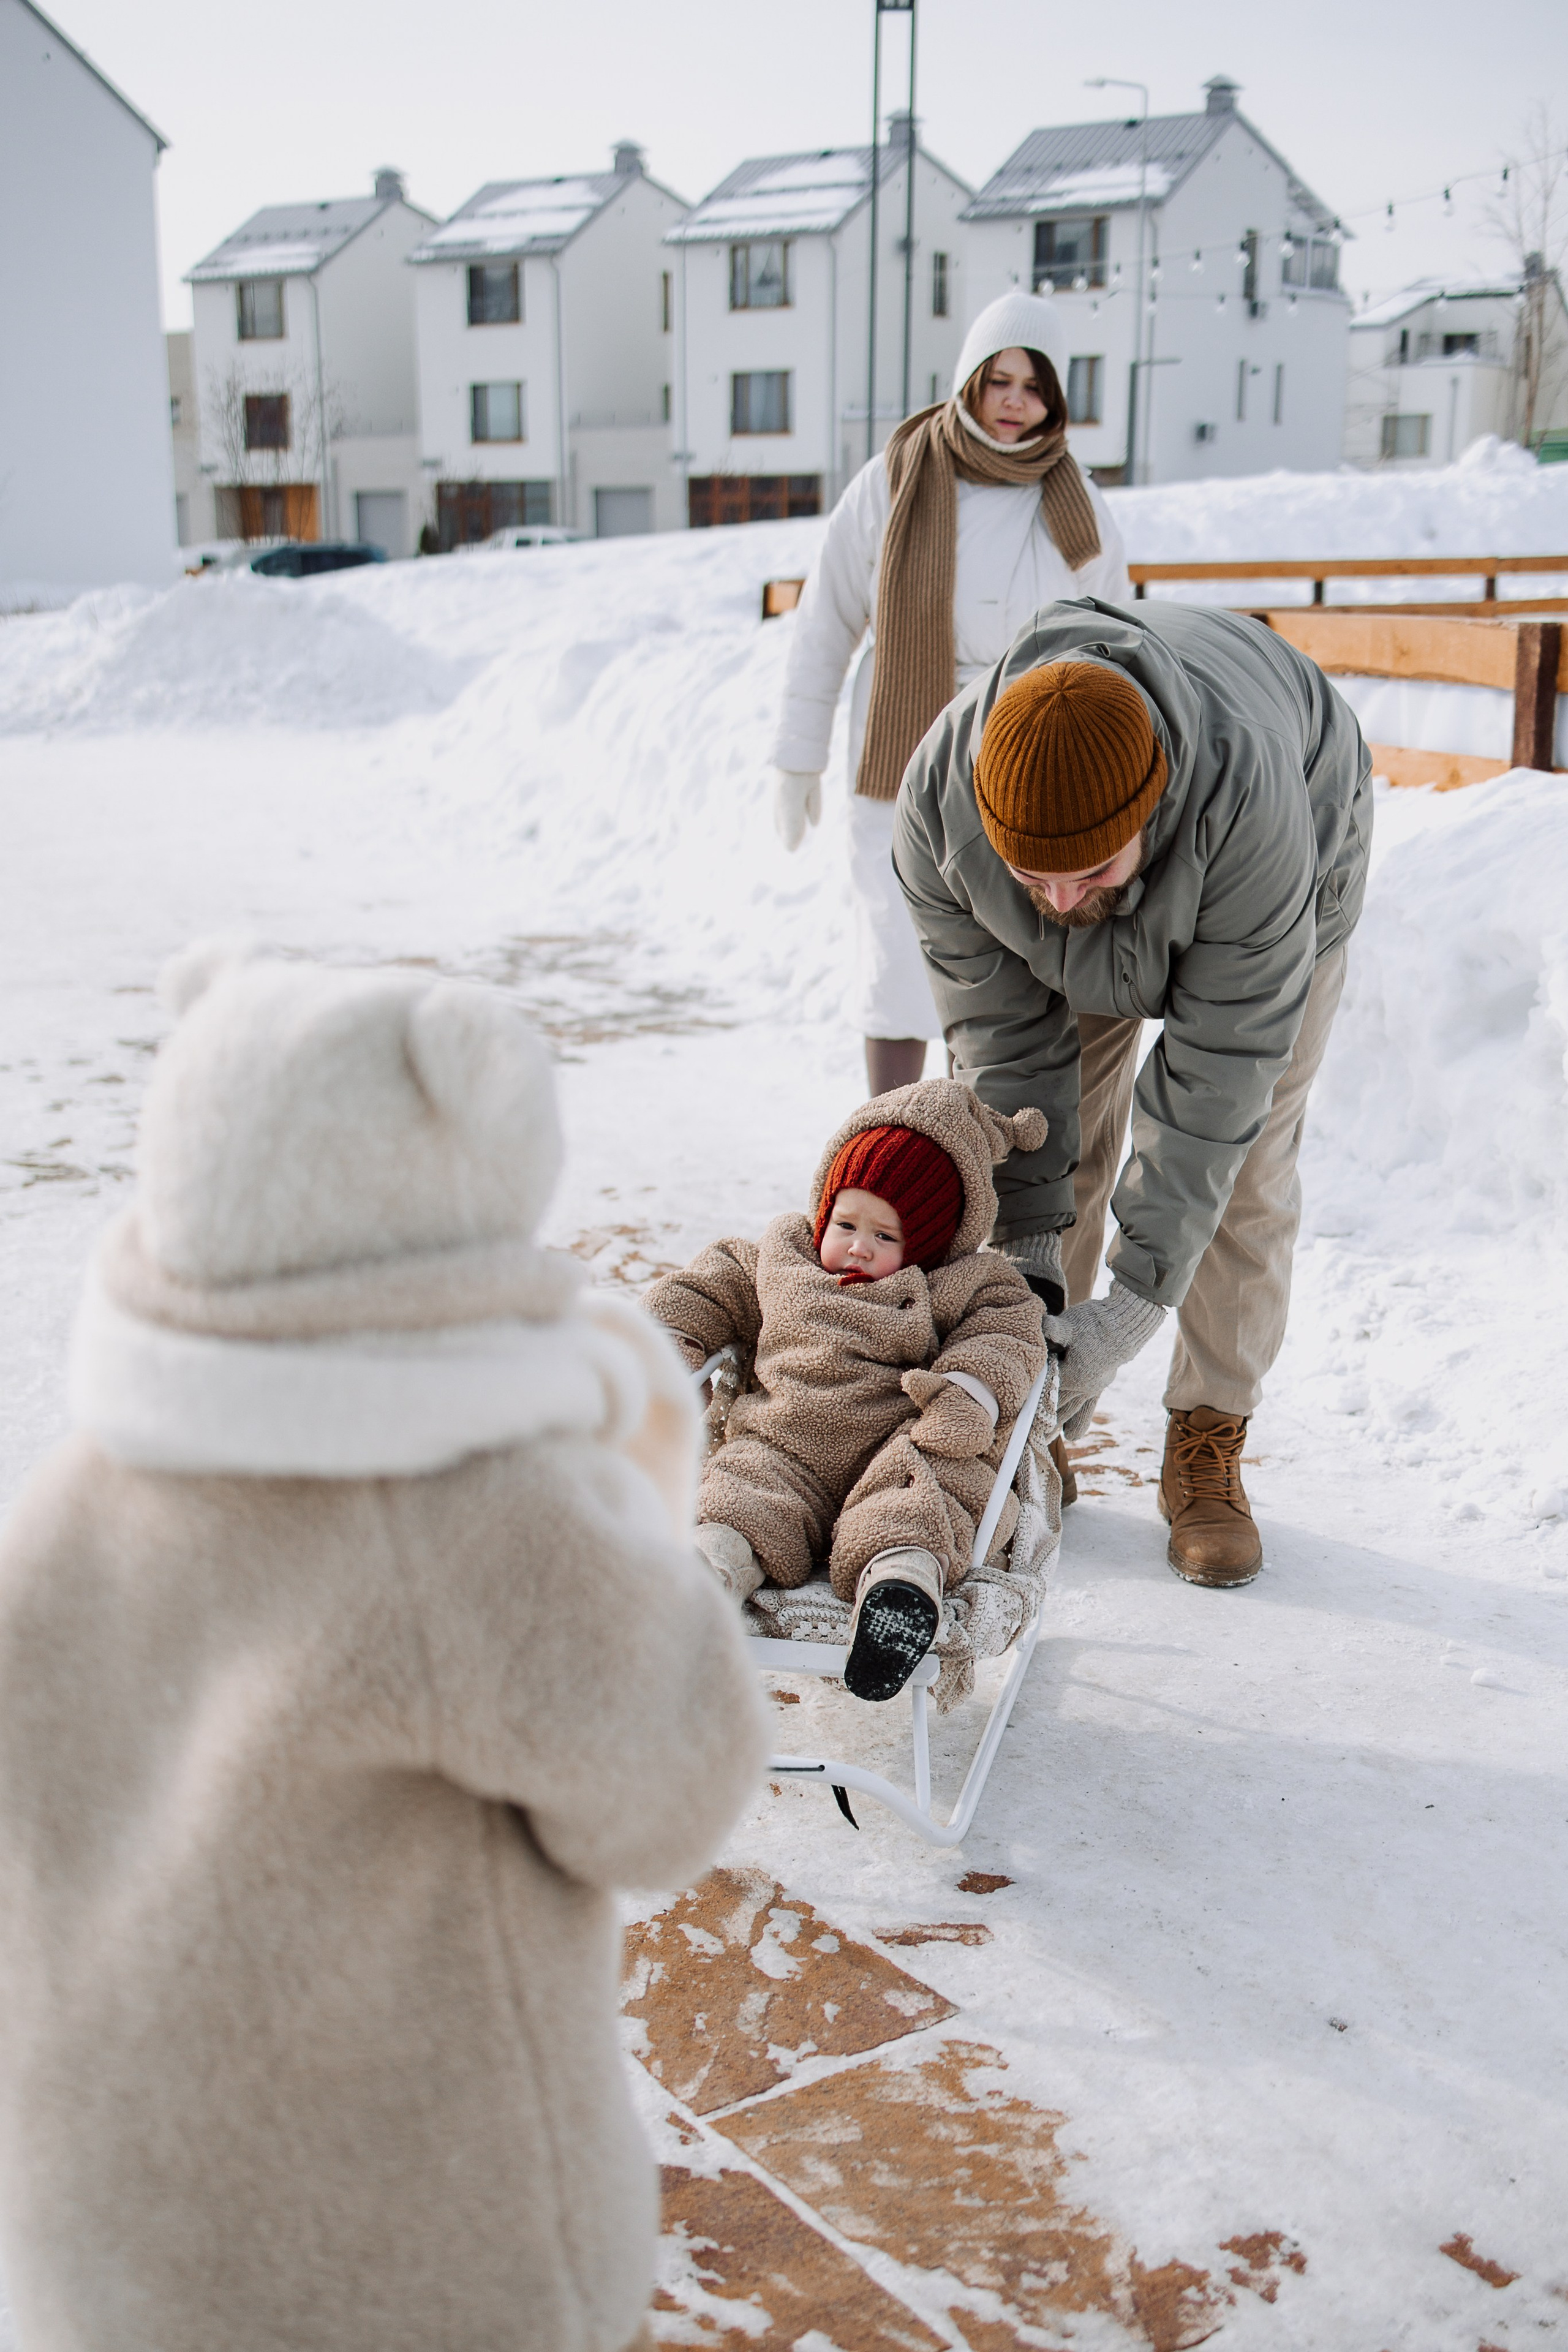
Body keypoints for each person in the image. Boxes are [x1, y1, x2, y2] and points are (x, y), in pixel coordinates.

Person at [0, 943, 768, 2352]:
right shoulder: (465, 1522)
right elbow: (671, 1792)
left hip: (96, 2238)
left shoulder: (63, 1504)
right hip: (400, 2256)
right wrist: (614, 1474)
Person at [892, 602, 1373, 1587]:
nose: (1063, 901)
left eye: (1090, 874)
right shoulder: (942, 812)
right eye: (1036, 877)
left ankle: (1208, 1437)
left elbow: (1214, 1091)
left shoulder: (1252, 809)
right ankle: (1033, 1413)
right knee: (1037, 1138)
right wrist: (1026, 1267)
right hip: (1108, 860)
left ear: (1149, 818)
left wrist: (1134, 1305)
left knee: (1242, 1168)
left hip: (1290, 857)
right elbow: (1004, 1059)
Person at [767, 291, 1131, 1098]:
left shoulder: (1074, 499)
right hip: (906, 741)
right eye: (999, 379)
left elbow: (1119, 641)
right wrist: (799, 757)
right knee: (899, 954)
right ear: (967, 378)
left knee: (1008, 959)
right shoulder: (895, 477)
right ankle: (893, 1151)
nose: (1014, 401)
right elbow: (825, 620)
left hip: (1029, 750)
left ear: (1057, 399)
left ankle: (987, 1155)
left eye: (1035, 386)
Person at [644, 1079, 1049, 1701]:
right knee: (740, 1494)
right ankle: (702, 1575)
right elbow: (701, 1289)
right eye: (846, 1222)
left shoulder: (968, 1283)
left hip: (901, 1446)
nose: (859, 1246)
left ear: (931, 1245)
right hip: (783, 1446)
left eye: (887, 1237)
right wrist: (674, 1342)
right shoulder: (780, 1256)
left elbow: (1006, 1334)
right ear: (822, 1208)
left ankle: (899, 1594)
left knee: (920, 1505)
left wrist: (968, 1390)